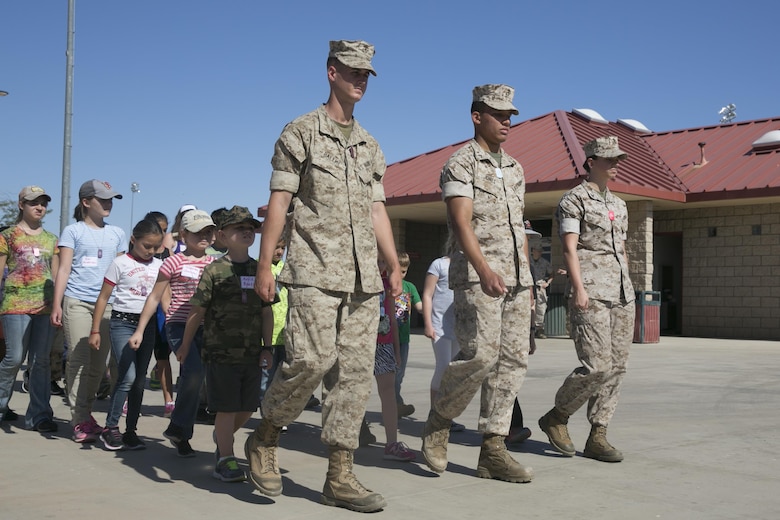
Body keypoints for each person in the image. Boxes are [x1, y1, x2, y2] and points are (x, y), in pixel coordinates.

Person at [246, 40, 401, 513]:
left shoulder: (370, 145)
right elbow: (279, 201)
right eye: (353, 71)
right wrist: (264, 261)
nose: (361, 80)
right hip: (312, 269)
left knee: (353, 376)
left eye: (367, 74)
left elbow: (377, 209)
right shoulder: (301, 132)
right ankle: (267, 434)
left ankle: (340, 474)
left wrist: (391, 263)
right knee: (310, 361)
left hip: (361, 280)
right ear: (331, 71)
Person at [420, 84, 534, 484]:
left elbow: (519, 227)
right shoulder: (461, 163)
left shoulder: (516, 168)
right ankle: (439, 421)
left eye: (510, 116)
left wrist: (529, 281)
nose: (506, 122)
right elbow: (460, 222)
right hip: (477, 277)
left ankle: (493, 450)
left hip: (518, 280)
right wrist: (485, 269)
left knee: (513, 362)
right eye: (498, 115)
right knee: (481, 356)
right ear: (476, 117)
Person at [538, 136, 635, 463]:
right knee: (597, 366)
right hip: (590, 290)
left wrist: (629, 284)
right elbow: (569, 248)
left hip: (622, 293)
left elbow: (621, 249)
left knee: (617, 368)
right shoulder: (573, 200)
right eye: (609, 159)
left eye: (617, 159)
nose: (615, 165)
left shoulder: (620, 205)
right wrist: (578, 288)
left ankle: (599, 434)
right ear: (591, 162)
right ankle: (557, 416)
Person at [177, 206, 272, 482]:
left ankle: (222, 437)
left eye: (249, 228)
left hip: (252, 353)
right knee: (227, 407)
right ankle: (226, 459)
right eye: (238, 228)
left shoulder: (260, 270)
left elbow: (267, 311)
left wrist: (267, 347)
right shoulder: (215, 270)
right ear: (222, 235)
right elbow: (197, 311)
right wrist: (185, 345)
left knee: (247, 407)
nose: (245, 232)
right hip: (220, 352)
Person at [128, 209, 216, 457]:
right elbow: (155, 296)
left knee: (200, 378)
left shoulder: (216, 264)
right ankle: (180, 426)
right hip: (178, 325)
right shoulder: (173, 262)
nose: (204, 236)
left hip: (207, 327)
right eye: (198, 231)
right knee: (194, 371)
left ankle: (180, 431)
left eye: (208, 231)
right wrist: (140, 330)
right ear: (184, 234)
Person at [51, 180, 126, 443]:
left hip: (107, 305)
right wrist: (57, 304)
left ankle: (87, 413)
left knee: (98, 365)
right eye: (102, 199)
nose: (108, 203)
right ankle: (79, 418)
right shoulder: (73, 231)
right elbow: (63, 269)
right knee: (79, 360)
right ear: (86, 202)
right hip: (78, 302)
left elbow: (120, 270)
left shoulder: (117, 232)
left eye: (111, 199)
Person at [88, 218, 164, 450]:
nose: (150, 251)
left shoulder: (159, 265)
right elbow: (103, 297)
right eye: (146, 246)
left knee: (139, 381)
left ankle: (131, 431)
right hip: (122, 323)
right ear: (133, 240)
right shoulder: (119, 263)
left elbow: (163, 297)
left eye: (155, 247)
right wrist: (95, 329)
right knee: (127, 377)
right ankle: (111, 428)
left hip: (148, 326)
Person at [0, 186, 59, 432]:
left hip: (44, 307)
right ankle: (2, 406)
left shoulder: (51, 239)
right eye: (34, 202)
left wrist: (58, 303)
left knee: (40, 361)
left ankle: (39, 415)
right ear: (21, 205)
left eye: (43, 203)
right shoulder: (8, 235)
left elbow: (56, 274)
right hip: (14, 304)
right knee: (14, 358)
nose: (39, 207)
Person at [362, 257, 416, 462]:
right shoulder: (356, 282)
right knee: (357, 390)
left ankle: (392, 443)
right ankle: (351, 435)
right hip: (359, 344)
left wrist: (396, 348)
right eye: (376, 260)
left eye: (383, 262)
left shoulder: (389, 285)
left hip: (383, 344)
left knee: (388, 392)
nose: (380, 266)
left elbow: (393, 318)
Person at [421, 252, 465, 432]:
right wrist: (427, 324)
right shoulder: (439, 264)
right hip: (439, 326)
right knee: (443, 368)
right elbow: (427, 295)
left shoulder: (467, 265)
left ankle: (447, 416)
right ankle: (435, 415)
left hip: (459, 327)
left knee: (453, 372)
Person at [143, 211, 176, 418]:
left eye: (165, 229)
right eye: (158, 227)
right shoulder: (138, 248)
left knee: (163, 358)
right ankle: (128, 399)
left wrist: (170, 308)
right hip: (140, 310)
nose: (162, 232)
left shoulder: (167, 252)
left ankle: (169, 401)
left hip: (161, 312)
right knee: (138, 358)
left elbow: (172, 281)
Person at [394, 251, 421, 418]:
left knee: (400, 374)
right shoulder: (385, 285)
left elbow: (419, 306)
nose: (400, 274)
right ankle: (396, 404)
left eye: (403, 271)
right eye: (397, 270)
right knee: (392, 374)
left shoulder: (409, 287)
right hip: (387, 338)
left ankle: (395, 403)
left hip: (403, 338)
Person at [530, 245, 554, 338]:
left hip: (540, 287)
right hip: (530, 286)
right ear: (533, 251)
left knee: (541, 308)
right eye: (537, 250)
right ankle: (530, 329)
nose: (539, 253)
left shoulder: (545, 262)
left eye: (540, 251)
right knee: (530, 307)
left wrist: (547, 283)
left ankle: (539, 329)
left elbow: (552, 273)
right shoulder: (528, 260)